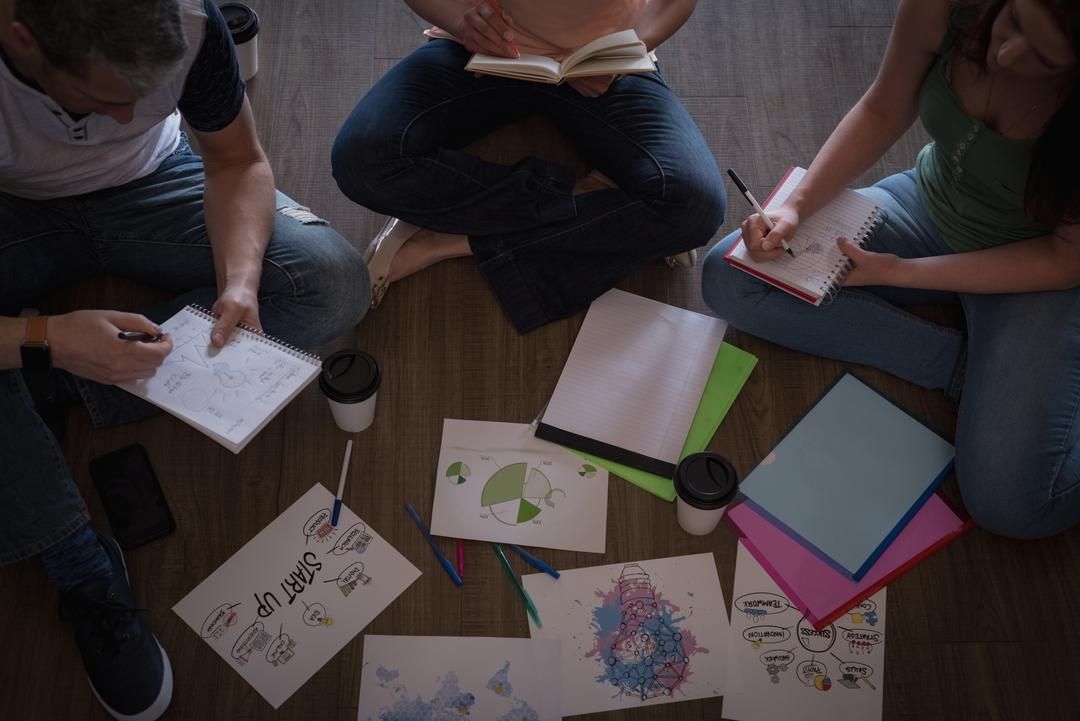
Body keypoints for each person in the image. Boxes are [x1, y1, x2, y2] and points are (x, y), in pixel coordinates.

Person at [0, 1, 370, 719]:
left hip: (152, 185)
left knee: (331, 284)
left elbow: (236, 160)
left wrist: (239, 279)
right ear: (24, 41)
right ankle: (81, 570)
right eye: (105, 100)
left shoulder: (190, 21)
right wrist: (43, 332)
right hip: (11, 213)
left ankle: (53, 385)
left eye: (144, 98)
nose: (121, 119)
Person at [701, 0, 1080, 539]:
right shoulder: (945, 6)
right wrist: (796, 206)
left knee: (1011, 507)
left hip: (1032, 266)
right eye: (1012, 19)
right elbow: (883, 107)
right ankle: (961, 368)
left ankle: (1004, 378)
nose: (1006, 52)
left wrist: (902, 273)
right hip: (929, 202)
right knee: (731, 276)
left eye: (1042, 57)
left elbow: (1063, 259)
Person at [331, 0, 726, 332]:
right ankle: (584, 202)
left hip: (602, 65)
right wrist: (461, 20)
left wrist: (628, 50)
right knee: (362, 159)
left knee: (696, 205)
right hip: (482, 52)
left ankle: (451, 240)